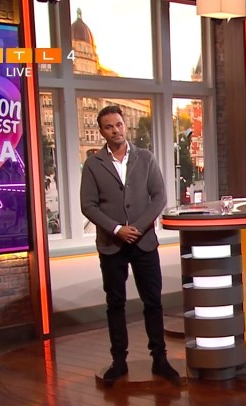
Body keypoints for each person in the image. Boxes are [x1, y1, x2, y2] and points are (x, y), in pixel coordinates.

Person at [80, 105, 181, 385]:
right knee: (115, 303)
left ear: (125, 126)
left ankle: (160, 359)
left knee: (153, 301)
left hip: (143, 242)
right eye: (109, 127)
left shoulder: (145, 158)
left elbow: (159, 197)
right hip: (111, 244)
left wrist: (136, 228)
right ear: (102, 131)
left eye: (119, 124)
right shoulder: (93, 164)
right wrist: (117, 229)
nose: (116, 130)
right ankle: (119, 361)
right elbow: (88, 205)